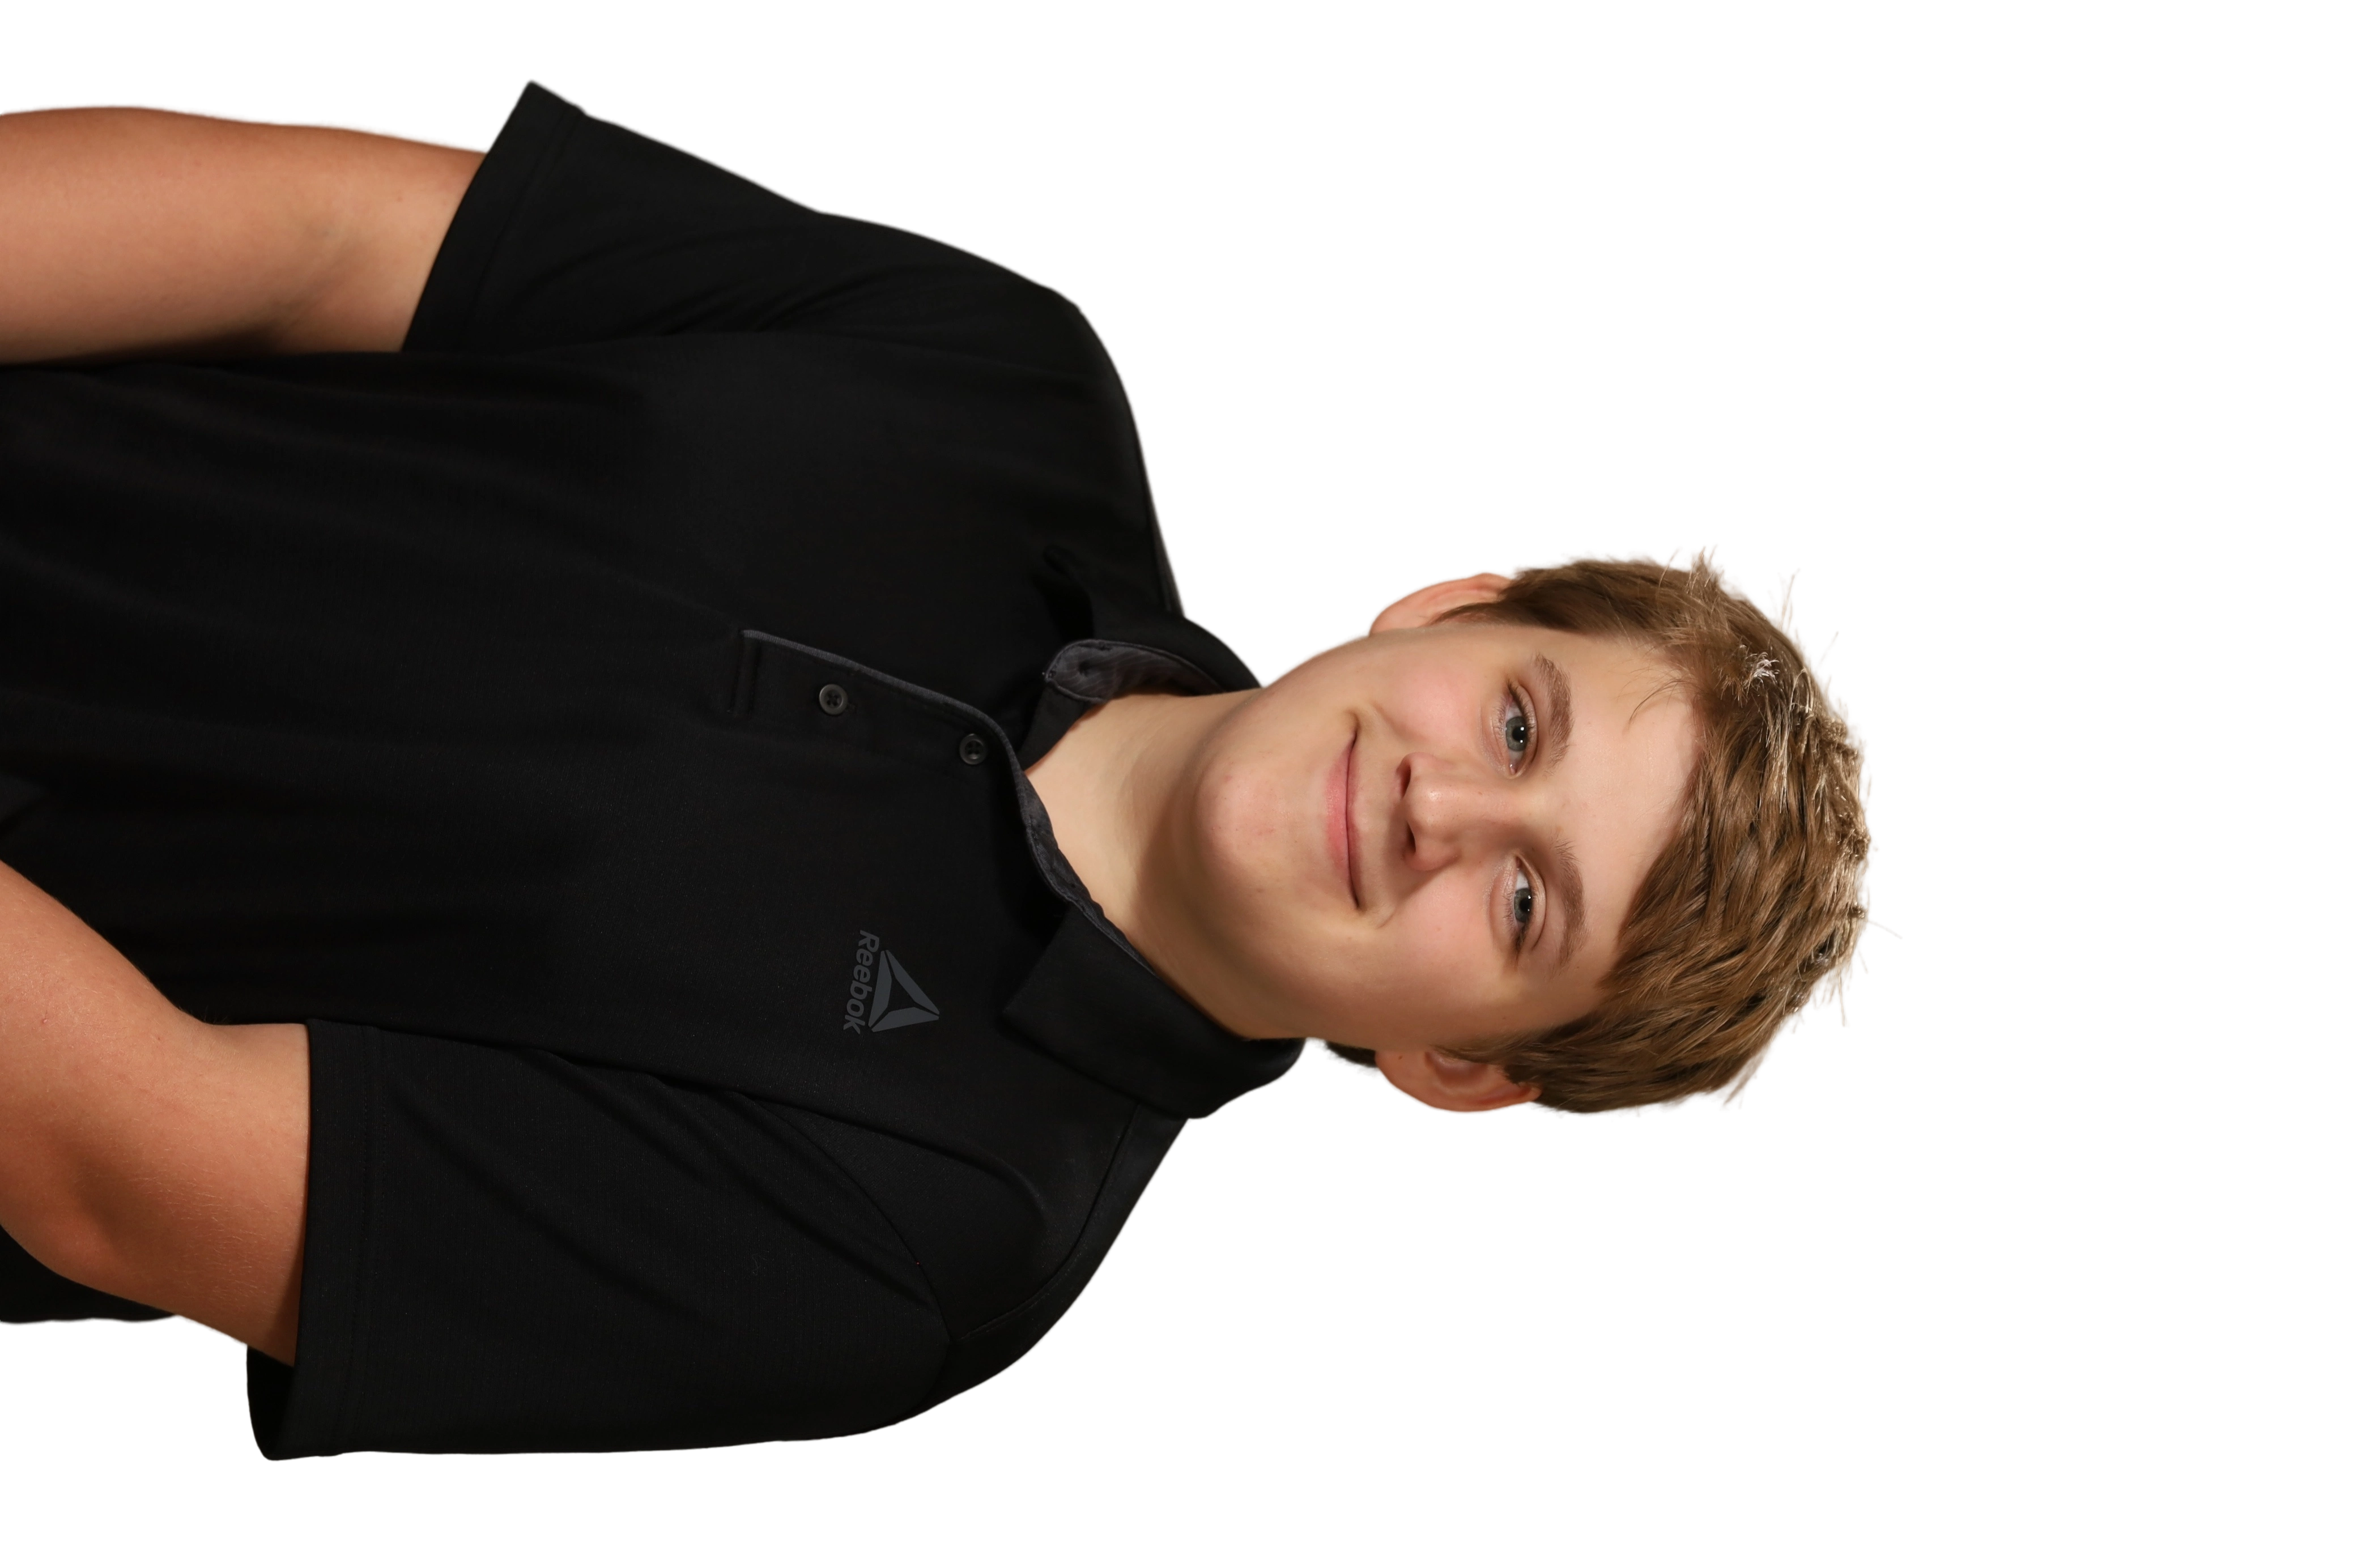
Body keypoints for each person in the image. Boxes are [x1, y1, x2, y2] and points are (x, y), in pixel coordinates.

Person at [0, 79, 1882, 1459]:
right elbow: (317, 240)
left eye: (1527, 900)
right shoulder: (1003, 374)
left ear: (1460, 1068)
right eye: (1521, 724)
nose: (1440, 809)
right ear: (1457, 605)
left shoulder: (925, 1245)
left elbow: (128, 1166)